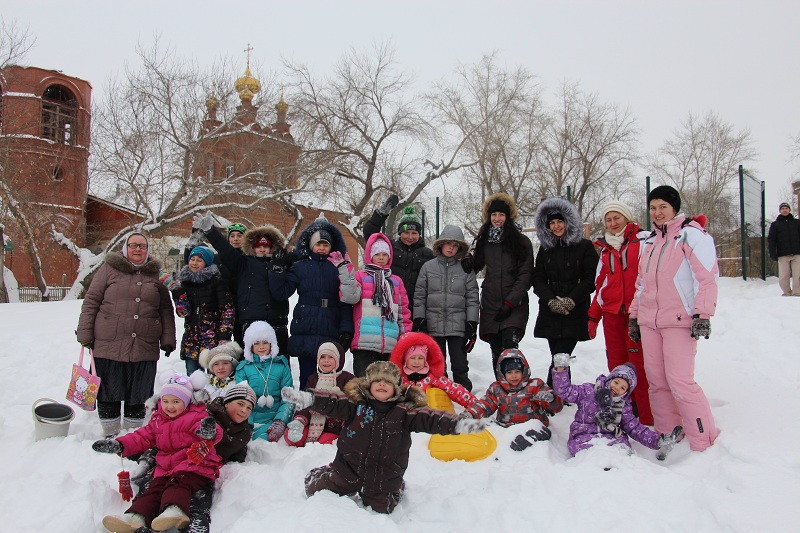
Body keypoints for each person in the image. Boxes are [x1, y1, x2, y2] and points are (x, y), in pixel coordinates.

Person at [280, 361, 488, 514]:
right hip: (348, 469)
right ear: (368, 385)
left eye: (387, 382)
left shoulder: (405, 412)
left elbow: (432, 419)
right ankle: (323, 472)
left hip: (382, 478)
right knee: (313, 489)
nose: (381, 385)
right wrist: (309, 398)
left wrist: (458, 424)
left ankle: (397, 487)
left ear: (396, 388)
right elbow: (332, 402)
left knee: (383, 509)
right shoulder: (356, 405)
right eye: (377, 381)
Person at [629, 185, 720, 453]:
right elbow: (641, 284)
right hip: (650, 322)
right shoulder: (650, 242)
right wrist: (635, 316)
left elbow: (707, 278)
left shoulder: (692, 236)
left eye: (663, 207)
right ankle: (667, 431)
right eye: (653, 208)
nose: (657, 212)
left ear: (674, 208)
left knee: (680, 380)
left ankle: (703, 437)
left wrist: (702, 314)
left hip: (680, 321)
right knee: (657, 381)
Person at [92, 371, 222, 533]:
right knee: (153, 490)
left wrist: (208, 432)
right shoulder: (158, 420)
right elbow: (141, 436)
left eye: (176, 402)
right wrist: (119, 445)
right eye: (166, 401)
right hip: (166, 468)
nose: (170, 406)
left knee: (178, 483)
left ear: (187, 401)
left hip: (194, 465)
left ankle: (175, 509)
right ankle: (136, 516)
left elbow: (214, 431)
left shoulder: (196, 416)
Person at [77, 232, 176, 437]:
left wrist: (168, 339)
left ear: (147, 249)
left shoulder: (156, 274)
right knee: (109, 390)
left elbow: (166, 309)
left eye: (142, 246)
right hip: (108, 343)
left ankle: (133, 436)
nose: (138, 249)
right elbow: (92, 300)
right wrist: (85, 332)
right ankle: (111, 434)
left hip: (144, 344)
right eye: (133, 245)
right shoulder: (109, 269)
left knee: (139, 392)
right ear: (125, 248)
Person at [269, 214, 355, 389]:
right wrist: (277, 270)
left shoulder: (338, 269)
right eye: (318, 244)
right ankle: (304, 404)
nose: (321, 248)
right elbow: (281, 292)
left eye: (325, 244)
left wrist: (346, 330)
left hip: (330, 327)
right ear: (311, 245)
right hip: (306, 327)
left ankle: (327, 405)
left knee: (328, 377)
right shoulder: (300, 266)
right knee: (307, 378)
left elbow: (345, 302)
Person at [588, 200, 654, 425]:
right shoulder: (605, 249)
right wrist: (593, 316)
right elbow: (601, 285)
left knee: (638, 365)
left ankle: (646, 416)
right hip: (612, 314)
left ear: (627, 218)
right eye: (608, 219)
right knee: (616, 365)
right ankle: (623, 412)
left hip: (637, 314)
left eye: (617, 218)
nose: (613, 223)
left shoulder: (644, 241)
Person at [193, 213, 291, 354]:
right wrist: (211, 231)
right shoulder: (243, 263)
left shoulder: (281, 261)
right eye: (258, 246)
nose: (262, 249)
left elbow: (302, 255)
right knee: (251, 361)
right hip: (251, 319)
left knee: (280, 360)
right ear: (252, 247)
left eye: (266, 246)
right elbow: (225, 250)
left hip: (277, 320)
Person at [551, 355, 683, 459]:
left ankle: (619, 471)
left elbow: (635, 429)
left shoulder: (623, 406)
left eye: (623, 388)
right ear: (610, 379)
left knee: (622, 453)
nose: (617, 388)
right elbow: (565, 391)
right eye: (616, 382)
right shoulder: (588, 391)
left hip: (612, 437)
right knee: (589, 454)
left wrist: (657, 440)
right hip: (583, 435)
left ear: (626, 393)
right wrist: (561, 369)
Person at [532, 197, 598, 388]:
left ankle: (553, 393)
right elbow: (538, 278)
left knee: (561, 356)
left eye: (560, 221)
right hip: (550, 310)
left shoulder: (584, 247)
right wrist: (550, 301)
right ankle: (561, 392)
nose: (556, 226)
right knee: (558, 356)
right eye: (552, 223)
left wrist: (571, 300)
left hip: (574, 310)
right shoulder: (546, 249)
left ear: (569, 221)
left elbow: (590, 279)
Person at [470, 193, 535, 376]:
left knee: (510, 348)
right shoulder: (484, 240)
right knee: (496, 350)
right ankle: (501, 387)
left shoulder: (521, 242)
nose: (497, 219)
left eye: (501, 215)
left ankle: (515, 386)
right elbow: (476, 265)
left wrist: (510, 302)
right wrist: (465, 259)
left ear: (508, 216)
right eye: (494, 215)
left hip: (514, 305)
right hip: (490, 303)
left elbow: (526, 274)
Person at [413, 224, 480, 390]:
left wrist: (472, 323)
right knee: (438, 364)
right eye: (448, 243)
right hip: (433, 325)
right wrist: (420, 318)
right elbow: (420, 296)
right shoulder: (428, 267)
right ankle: (441, 393)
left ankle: (463, 393)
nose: (451, 248)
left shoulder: (465, 269)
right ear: (441, 244)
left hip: (458, 325)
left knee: (460, 363)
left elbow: (472, 298)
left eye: (455, 245)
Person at [338, 232, 413, 377]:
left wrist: (404, 337)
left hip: (390, 344)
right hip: (364, 343)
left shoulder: (396, 281)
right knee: (364, 384)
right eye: (377, 254)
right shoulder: (360, 276)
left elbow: (403, 312)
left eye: (384, 254)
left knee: (387, 385)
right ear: (370, 256)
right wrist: (347, 275)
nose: (381, 257)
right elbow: (350, 297)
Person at [463, 348, 561, 451]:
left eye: (517, 372)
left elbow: (556, 407)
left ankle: (520, 446)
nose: (514, 376)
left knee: (538, 432)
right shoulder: (497, 389)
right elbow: (486, 404)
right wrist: (471, 413)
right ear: (502, 373)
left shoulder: (534, 386)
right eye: (509, 372)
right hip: (506, 427)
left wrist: (551, 399)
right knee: (487, 428)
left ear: (523, 371)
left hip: (531, 427)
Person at [363, 195, 434, 319]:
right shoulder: (390, 248)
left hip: (417, 310)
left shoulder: (428, 254)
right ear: (400, 233)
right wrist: (381, 214)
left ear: (419, 234)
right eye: (406, 232)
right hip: (392, 306)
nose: (410, 237)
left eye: (414, 233)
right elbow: (370, 234)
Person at [171, 245, 235, 375]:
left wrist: (224, 334)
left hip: (213, 338)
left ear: (207, 263)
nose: (194, 263)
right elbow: (184, 312)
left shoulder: (216, 281)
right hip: (191, 340)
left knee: (216, 376)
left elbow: (227, 309)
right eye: (192, 259)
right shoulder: (184, 282)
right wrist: (178, 293)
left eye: (199, 260)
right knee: (194, 377)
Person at [186, 222, 249, 345]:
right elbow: (194, 267)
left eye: (239, 235)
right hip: (221, 310)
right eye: (232, 236)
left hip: (243, 309)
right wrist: (191, 246)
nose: (235, 239)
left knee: (242, 345)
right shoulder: (216, 259)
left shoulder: (249, 259)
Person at [284, 341, 354, 447]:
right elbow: (305, 403)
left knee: (324, 443)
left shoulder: (347, 378)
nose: (326, 361)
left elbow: (349, 405)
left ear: (339, 359)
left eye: (330, 357)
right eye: (322, 357)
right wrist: (299, 421)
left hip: (334, 427)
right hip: (312, 422)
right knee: (290, 436)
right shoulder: (313, 379)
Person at [234, 320, 294, 441]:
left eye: (265, 342)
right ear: (250, 346)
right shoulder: (243, 368)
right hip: (249, 419)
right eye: (257, 343)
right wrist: (247, 423)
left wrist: (280, 421)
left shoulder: (281, 366)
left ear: (272, 344)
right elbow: (241, 398)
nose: (261, 347)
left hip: (274, 419)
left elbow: (289, 397)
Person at [388, 331, 477, 408]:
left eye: (420, 358)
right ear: (404, 359)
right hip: (406, 416)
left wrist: (474, 404)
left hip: (429, 415)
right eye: (412, 358)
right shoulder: (399, 379)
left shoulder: (431, 377)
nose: (416, 362)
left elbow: (455, 390)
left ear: (425, 359)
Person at [767, 201, 800, 296]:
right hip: (782, 254)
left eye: (786, 208)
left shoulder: (797, 223)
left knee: (797, 275)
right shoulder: (775, 225)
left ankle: (797, 292)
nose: (784, 210)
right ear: (780, 211)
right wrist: (772, 253)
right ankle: (786, 292)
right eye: (782, 209)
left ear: (789, 210)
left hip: (797, 253)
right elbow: (772, 240)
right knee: (784, 276)